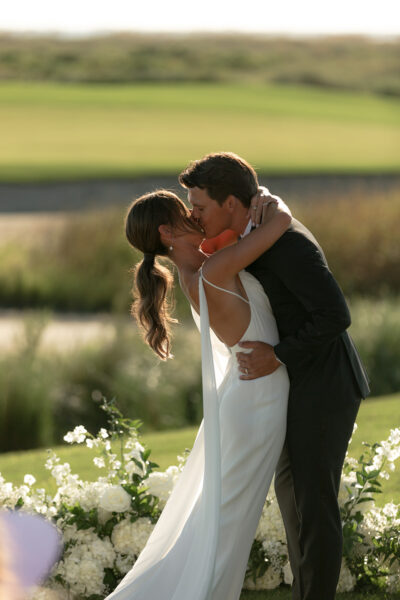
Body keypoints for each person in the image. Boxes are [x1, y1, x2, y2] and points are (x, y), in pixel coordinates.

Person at [179, 152, 370, 600]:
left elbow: (335, 315)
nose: (193, 215)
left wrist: (278, 355)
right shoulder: (254, 231)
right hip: (292, 386)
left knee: (312, 508)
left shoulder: (289, 243)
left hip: (323, 387)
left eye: (200, 206)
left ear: (231, 202)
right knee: (297, 509)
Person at [106, 188, 291, 600]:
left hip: (248, 399)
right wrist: (267, 198)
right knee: (226, 528)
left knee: (220, 523)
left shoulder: (203, 269)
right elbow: (280, 224)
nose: (194, 212)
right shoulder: (214, 270)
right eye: (183, 209)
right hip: (257, 403)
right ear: (167, 231)